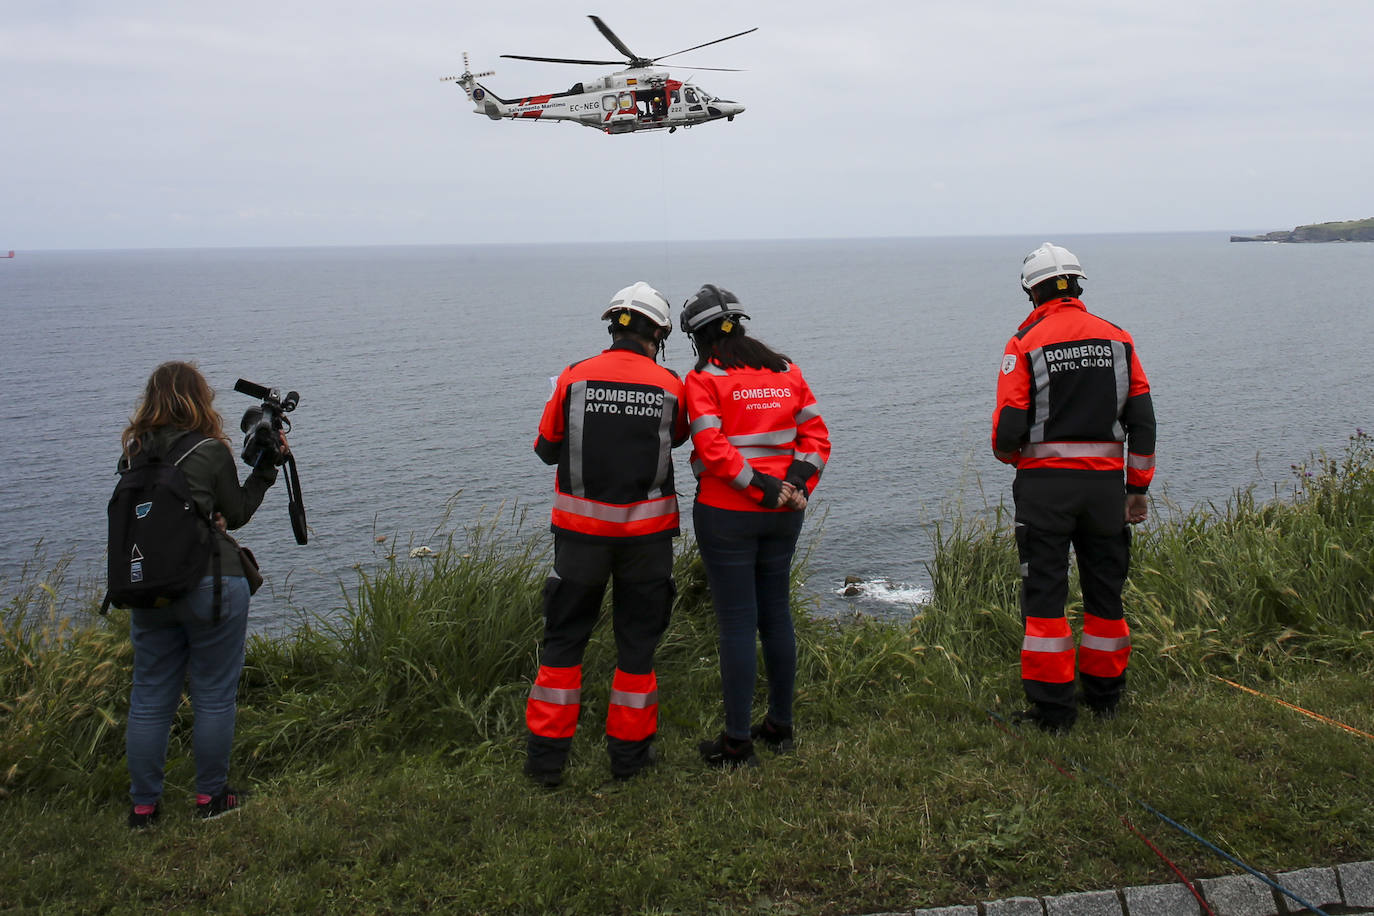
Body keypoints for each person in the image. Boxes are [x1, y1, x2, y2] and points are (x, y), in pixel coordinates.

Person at [525, 282, 688, 786]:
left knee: (563, 643)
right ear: (659, 333)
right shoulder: (671, 385)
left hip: (579, 538)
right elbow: (678, 437)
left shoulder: (573, 378)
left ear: (612, 325)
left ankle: (547, 763)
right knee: (636, 647)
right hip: (647, 540)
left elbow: (546, 449)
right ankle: (629, 758)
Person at [991, 243, 1156, 732]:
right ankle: (1105, 696)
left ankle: (1053, 711)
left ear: (1032, 290)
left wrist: (1012, 457)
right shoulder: (1118, 339)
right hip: (1106, 490)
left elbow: (1008, 430)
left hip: (1045, 491)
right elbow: (1143, 422)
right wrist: (1137, 487)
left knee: (1045, 596)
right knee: (1106, 593)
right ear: (1077, 284)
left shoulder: (1025, 342)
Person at [120, 361, 283, 827]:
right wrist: (268, 469)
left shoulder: (134, 454)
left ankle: (144, 809)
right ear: (199, 400)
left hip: (148, 587)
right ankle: (211, 800)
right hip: (211, 584)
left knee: (149, 697)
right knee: (212, 695)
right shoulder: (210, 450)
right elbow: (237, 512)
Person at [680, 284, 830, 768]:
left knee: (738, 624)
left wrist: (759, 486)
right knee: (777, 614)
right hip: (785, 513)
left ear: (699, 337)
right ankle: (780, 726)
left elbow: (711, 447)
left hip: (728, 514)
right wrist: (796, 482)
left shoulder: (703, 378)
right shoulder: (787, 371)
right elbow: (816, 435)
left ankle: (737, 742)